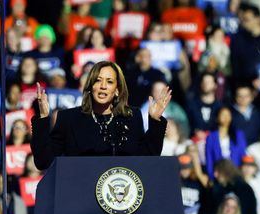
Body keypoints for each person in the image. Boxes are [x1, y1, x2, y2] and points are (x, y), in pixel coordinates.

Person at [30, 60, 170, 170]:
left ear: (117, 90)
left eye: (109, 82)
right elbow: (43, 161)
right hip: (80, 197)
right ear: (90, 86)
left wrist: (155, 120)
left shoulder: (132, 117)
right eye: (98, 80)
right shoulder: (68, 119)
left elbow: (148, 158)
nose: (103, 86)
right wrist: (42, 117)